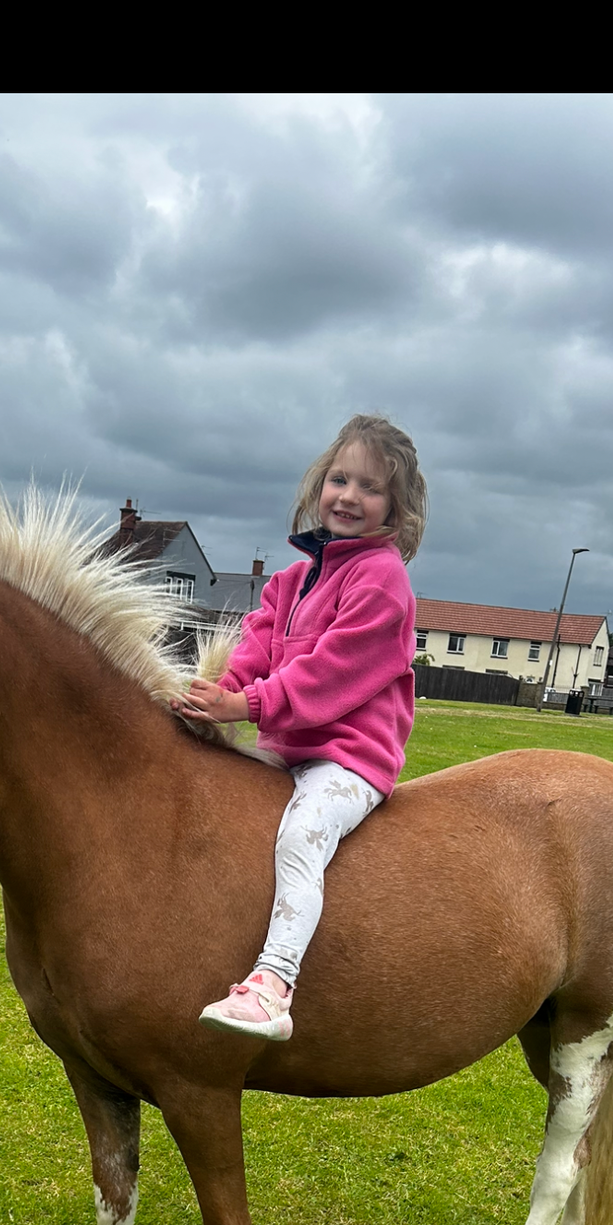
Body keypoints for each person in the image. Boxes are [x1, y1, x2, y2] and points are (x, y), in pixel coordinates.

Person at [175, 413, 427, 1041]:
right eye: (340, 479)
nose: (349, 496)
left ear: (397, 508)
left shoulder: (382, 581)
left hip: (348, 759)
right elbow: (254, 649)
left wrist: (249, 708)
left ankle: (274, 984)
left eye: (370, 488)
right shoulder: (292, 579)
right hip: (288, 748)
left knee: (301, 838)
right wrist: (217, 695)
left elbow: (329, 674)